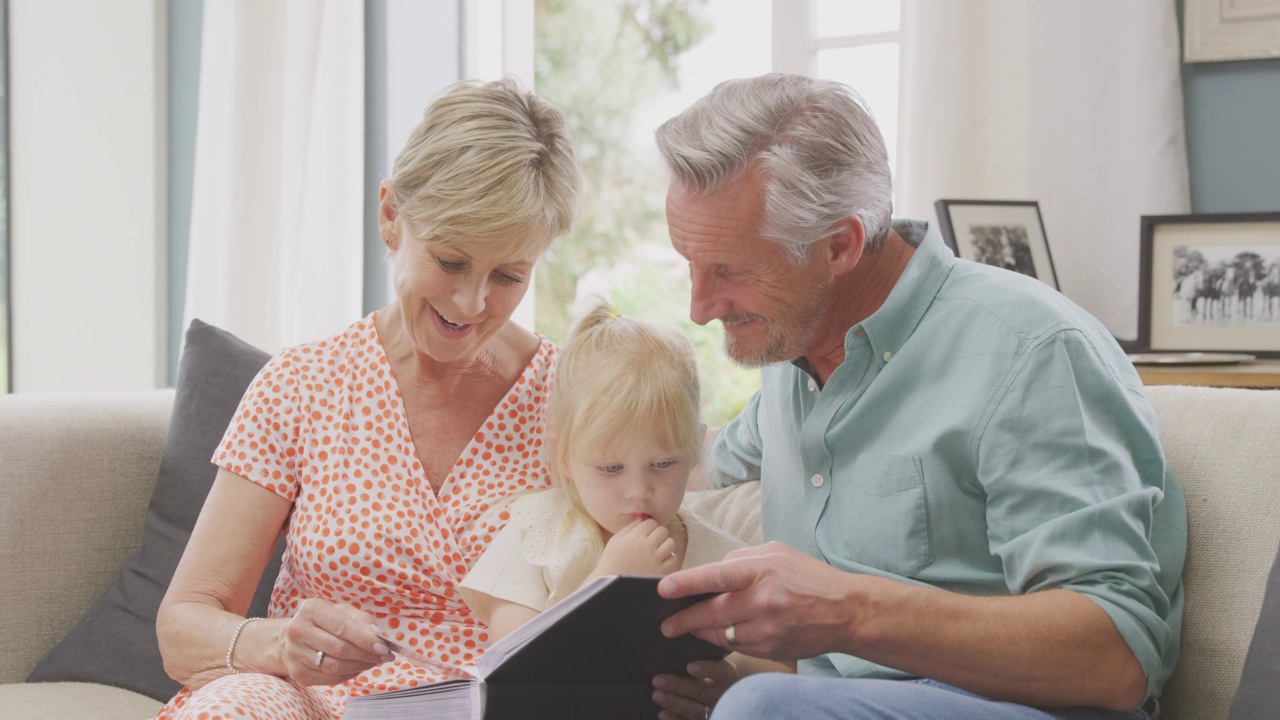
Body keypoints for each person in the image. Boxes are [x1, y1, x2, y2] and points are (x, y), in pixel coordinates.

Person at [646, 73, 1186, 720]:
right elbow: (694, 461)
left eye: (729, 271)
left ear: (839, 246)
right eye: (691, 265)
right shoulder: (790, 353)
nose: (700, 308)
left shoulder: (1030, 350)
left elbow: (1116, 659)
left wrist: (845, 614)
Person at [153, 77, 581, 720]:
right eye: (451, 260)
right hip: (312, 702)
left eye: (508, 276)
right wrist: (281, 643)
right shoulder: (301, 384)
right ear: (390, 216)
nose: (472, 304)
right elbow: (183, 625)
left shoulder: (573, 398)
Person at [458, 303, 787, 693]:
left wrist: (732, 679)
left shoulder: (724, 560)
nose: (638, 491)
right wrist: (606, 586)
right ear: (564, 456)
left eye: (663, 463)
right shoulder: (536, 533)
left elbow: (782, 666)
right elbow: (508, 667)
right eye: (611, 469)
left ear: (694, 451)